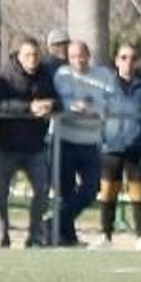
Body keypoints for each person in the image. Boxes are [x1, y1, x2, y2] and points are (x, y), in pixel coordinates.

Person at [0, 38, 60, 249]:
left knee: (42, 190)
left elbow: (58, 101)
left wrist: (50, 105)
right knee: (1, 192)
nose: (32, 59)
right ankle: (2, 233)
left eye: (36, 55)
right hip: (6, 146)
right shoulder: (5, 76)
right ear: (19, 56)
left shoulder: (45, 76)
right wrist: (29, 108)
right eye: (28, 55)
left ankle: (34, 235)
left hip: (35, 146)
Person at [94, 42, 141, 249]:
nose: (128, 62)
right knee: (108, 192)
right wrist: (102, 133)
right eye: (123, 57)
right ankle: (105, 236)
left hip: (136, 147)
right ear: (117, 61)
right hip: (111, 147)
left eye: (132, 58)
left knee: (138, 192)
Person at [51, 40, 109, 247]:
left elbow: (109, 101)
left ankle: (53, 223)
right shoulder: (62, 75)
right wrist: (72, 107)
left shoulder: (103, 75)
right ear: (68, 58)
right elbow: (58, 101)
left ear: (88, 55)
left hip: (90, 140)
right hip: (65, 139)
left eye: (81, 55)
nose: (78, 60)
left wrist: (93, 109)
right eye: (73, 57)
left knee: (91, 189)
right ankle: (67, 237)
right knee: (66, 192)